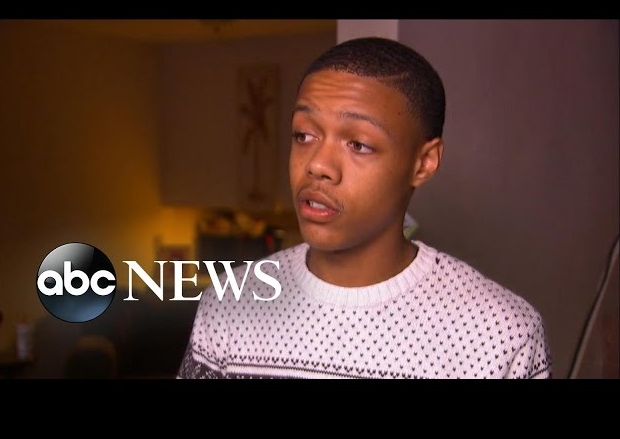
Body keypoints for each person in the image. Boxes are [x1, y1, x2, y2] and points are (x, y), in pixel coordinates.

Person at [177, 37, 552, 379]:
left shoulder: (500, 334)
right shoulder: (230, 302)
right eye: (304, 135)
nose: (317, 165)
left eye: (358, 144)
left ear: (423, 163)